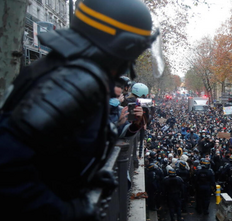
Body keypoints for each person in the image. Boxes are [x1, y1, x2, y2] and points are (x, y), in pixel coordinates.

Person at [0, 0, 158, 220]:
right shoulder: (74, 83)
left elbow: (55, 149)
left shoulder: (67, 70)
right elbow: (7, 166)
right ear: (121, 44)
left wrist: (89, 175)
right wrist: (62, 211)